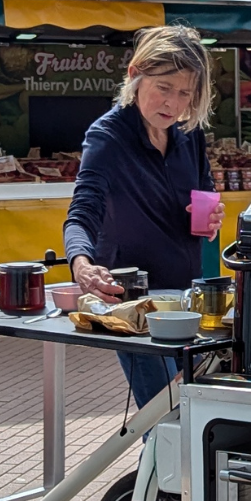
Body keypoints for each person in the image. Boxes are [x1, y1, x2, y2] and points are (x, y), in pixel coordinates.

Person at [65, 26, 225, 410]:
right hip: (133, 308)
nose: (173, 103)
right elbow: (81, 212)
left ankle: (156, 472)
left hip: (186, 301)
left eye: (185, 93)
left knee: (190, 415)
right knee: (161, 417)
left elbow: (204, 199)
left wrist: (210, 216)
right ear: (136, 74)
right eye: (164, 87)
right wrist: (82, 265)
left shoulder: (190, 134)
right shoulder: (107, 136)